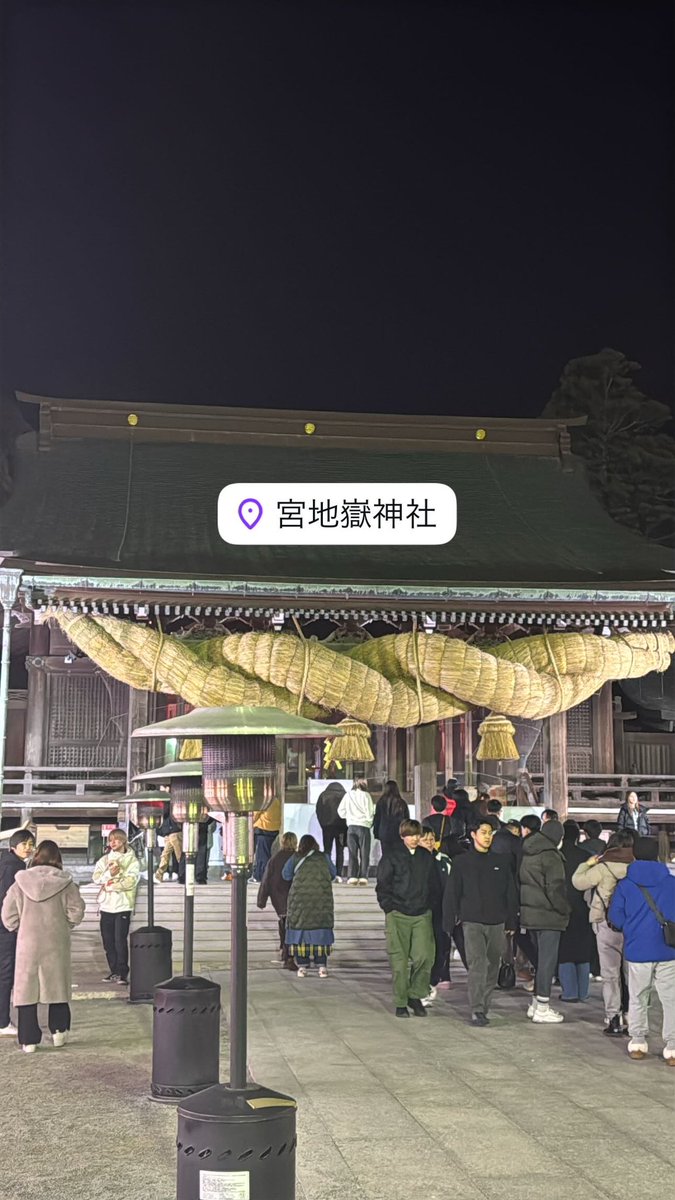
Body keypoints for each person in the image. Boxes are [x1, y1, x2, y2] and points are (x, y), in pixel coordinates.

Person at [1, 840, 84, 1053]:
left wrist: (21, 929)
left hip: (28, 942)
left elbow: (7, 915)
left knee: (27, 990)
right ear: (58, 858)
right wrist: (65, 926)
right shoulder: (66, 883)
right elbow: (76, 912)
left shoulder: (19, 882)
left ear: (36, 856)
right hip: (56, 942)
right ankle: (59, 1033)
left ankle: (28, 1041)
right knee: (57, 985)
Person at [443, 816, 518, 1026]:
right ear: (473, 835)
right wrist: (449, 921)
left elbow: (510, 893)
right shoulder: (461, 862)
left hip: (497, 921)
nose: (487, 837)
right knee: (478, 964)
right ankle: (477, 1009)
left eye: (490, 833)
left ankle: (484, 1006)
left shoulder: (501, 862)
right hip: (472, 920)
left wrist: (511, 921)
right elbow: (452, 892)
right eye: (483, 832)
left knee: (493, 964)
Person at [608, 836, 675, 1065]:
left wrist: (630, 927)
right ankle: (672, 1047)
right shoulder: (672, 882)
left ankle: (638, 1041)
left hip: (637, 949)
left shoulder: (626, 884)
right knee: (670, 998)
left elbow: (615, 917)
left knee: (638, 996)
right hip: (668, 949)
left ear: (634, 854)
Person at [572, 830, 634, 1036]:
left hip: (606, 924)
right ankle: (632, 1017)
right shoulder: (635, 867)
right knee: (630, 974)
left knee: (610, 974)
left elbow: (578, 882)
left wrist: (587, 864)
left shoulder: (603, 866)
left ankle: (613, 1017)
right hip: (633, 927)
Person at [376, 819, 440, 1017]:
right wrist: (389, 907)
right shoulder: (392, 856)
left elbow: (434, 883)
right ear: (403, 835)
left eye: (416, 835)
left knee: (425, 956)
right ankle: (401, 1001)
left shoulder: (426, 857)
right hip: (398, 913)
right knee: (399, 961)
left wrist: (430, 905)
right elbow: (383, 884)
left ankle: (416, 993)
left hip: (421, 913)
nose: (414, 839)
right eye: (410, 835)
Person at [519, 818, 570, 1023]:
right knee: (548, 962)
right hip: (549, 915)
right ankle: (542, 1006)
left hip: (531, 915)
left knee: (540, 961)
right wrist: (565, 909)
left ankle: (535, 1004)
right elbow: (555, 888)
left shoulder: (529, 852)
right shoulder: (551, 856)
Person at [282, 834, 336, 976]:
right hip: (321, 900)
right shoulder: (324, 857)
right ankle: (322, 966)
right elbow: (333, 874)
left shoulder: (296, 858)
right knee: (321, 931)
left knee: (301, 932)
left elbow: (286, 875)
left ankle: (302, 966)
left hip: (299, 902)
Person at [92, 827, 140, 986]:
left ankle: (123, 972)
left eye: (116, 839)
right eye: (110, 840)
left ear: (124, 841)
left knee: (120, 940)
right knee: (108, 941)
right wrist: (109, 875)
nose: (113, 842)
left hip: (123, 906)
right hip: (106, 906)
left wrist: (112, 884)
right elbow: (97, 878)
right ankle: (114, 970)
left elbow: (131, 881)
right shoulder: (104, 860)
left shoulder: (131, 860)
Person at [0, 828, 36, 1037]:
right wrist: (12, 924)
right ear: (14, 846)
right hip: (5, 928)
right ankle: (3, 1022)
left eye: (31, 844)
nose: (29, 849)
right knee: (6, 974)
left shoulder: (6, 861)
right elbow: (8, 900)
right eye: (25, 845)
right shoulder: (13, 867)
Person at [558, 821, 593, 1003]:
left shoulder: (557, 856)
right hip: (584, 908)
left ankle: (569, 992)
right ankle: (583, 992)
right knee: (583, 950)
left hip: (562, 908)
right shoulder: (587, 856)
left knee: (565, 950)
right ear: (578, 837)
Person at [257, 832, 298, 969]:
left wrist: (261, 900)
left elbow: (266, 880)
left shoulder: (275, 859)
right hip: (294, 896)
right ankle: (289, 954)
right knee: (291, 924)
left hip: (278, 897)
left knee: (284, 921)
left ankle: (285, 950)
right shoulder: (298, 858)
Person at [418, 825, 452, 993]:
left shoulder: (443, 859)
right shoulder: (415, 860)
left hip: (441, 910)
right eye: (425, 840)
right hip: (422, 910)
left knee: (442, 945)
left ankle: (435, 978)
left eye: (432, 839)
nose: (430, 843)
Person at [338, 778, 375, 885]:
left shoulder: (348, 795)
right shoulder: (366, 795)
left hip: (351, 827)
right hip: (363, 827)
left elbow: (340, 811)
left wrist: (348, 817)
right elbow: (370, 812)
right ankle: (363, 876)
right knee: (364, 853)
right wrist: (369, 822)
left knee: (352, 853)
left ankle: (352, 876)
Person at [315, 781, 347, 877]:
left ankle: (328, 872)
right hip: (341, 827)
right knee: (340, 850)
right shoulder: (345, 795)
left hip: (327, 827)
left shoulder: (323, 795)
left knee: (327, 850)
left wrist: (323, 824)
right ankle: (338, 873)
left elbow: (318, 811)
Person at [373, 780, 409, 857]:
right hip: (398, 833)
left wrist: (376, 832)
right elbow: (406, 819)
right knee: (397, 856)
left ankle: (387, 869)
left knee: (386, 855)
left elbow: (377, 818)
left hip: (384, 832)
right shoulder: (401, 803)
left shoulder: (381, 802)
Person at [252, 797, 281, 883]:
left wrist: (250, 822)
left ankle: (260, 876)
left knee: (262, 855)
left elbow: (255, 814)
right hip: (274, 829)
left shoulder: (264, 800)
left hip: (263, 829)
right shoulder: (276, 800)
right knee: (267, 853)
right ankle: (265, 876)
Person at [155, 813, 183, 882]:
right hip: (170, 832)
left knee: (173, 855)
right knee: (167, 855)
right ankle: (159, 874)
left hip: (172, 832)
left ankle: (182, 875)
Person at [195, 816, 217, 884]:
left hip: (191, 825)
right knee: (202, 852)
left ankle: (185, 875)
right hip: (203, 825)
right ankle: (200, 875)